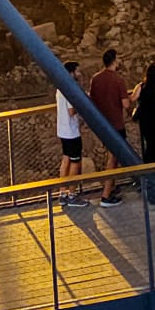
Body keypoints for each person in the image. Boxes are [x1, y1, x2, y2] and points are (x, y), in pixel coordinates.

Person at [87, 49, 130, 205]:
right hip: (116, 124)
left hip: (103, 124)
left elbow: (92, 99)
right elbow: (125, 103)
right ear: (115, 60)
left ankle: (111, 187)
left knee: (112, 157)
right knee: (113, 159)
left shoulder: (95, 79)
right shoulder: (118, 80)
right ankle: (106, 196)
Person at [56, 61, 89, 207]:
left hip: (63, 130)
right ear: (72, 72)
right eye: (77, 71)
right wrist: (81, 103)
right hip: (71, 131)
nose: (79, 73)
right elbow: (71, 111)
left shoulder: (60, 87)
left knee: (66, 160)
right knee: (76, 162)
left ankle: (62, 193)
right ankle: (72, 195)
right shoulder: (69, 88)